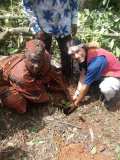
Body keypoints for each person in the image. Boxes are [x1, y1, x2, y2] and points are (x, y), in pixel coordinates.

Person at [0, 39, 71, 113]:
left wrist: (66, 91)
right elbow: (37, 95)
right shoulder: (20, 75)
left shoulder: (45, 56)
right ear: (25, 57)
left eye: (39, 61)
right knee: (16, 101)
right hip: (5, 82)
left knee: (54, 82)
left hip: (29, 79)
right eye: (33, 61)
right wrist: (54, 99)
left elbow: (53, 73)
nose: (36, 65)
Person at [22, 0, 78, 78]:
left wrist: (74, 21)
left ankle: (67, 79)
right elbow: (27, 5)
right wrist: (36, 28)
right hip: (43, 25)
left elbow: (73, 2)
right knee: (42, 55)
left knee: (68, 53)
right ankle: (44, 80)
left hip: (64, 23)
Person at [66, 40, 120, 113]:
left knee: (106, 87)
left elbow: (85, 85)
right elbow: (83, 73)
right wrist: (77, 93)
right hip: (103, 72)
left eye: (77, 51)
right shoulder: (84, 55)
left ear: (83, 47)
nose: (76, 56)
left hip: (116, 75)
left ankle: (114, 100)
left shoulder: (96, 62)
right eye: (72, 54)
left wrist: (76, 103)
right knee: (89, 83)